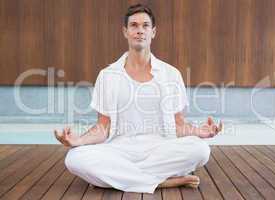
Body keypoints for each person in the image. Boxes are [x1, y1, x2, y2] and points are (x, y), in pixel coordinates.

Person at [54, 3, 222, 194]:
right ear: (125, 32)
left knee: (201, 150)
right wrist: (79, 141)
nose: (140, 30)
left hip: (160, 149)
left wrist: (199, 131)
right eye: (134, 25)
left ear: (153, 32)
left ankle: (115, 179)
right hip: (120, 150)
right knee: (74, 158)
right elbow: (103, 126)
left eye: (145, 26)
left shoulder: (171, 74)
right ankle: (160, 182)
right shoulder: (107, 75)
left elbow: (178, 123)